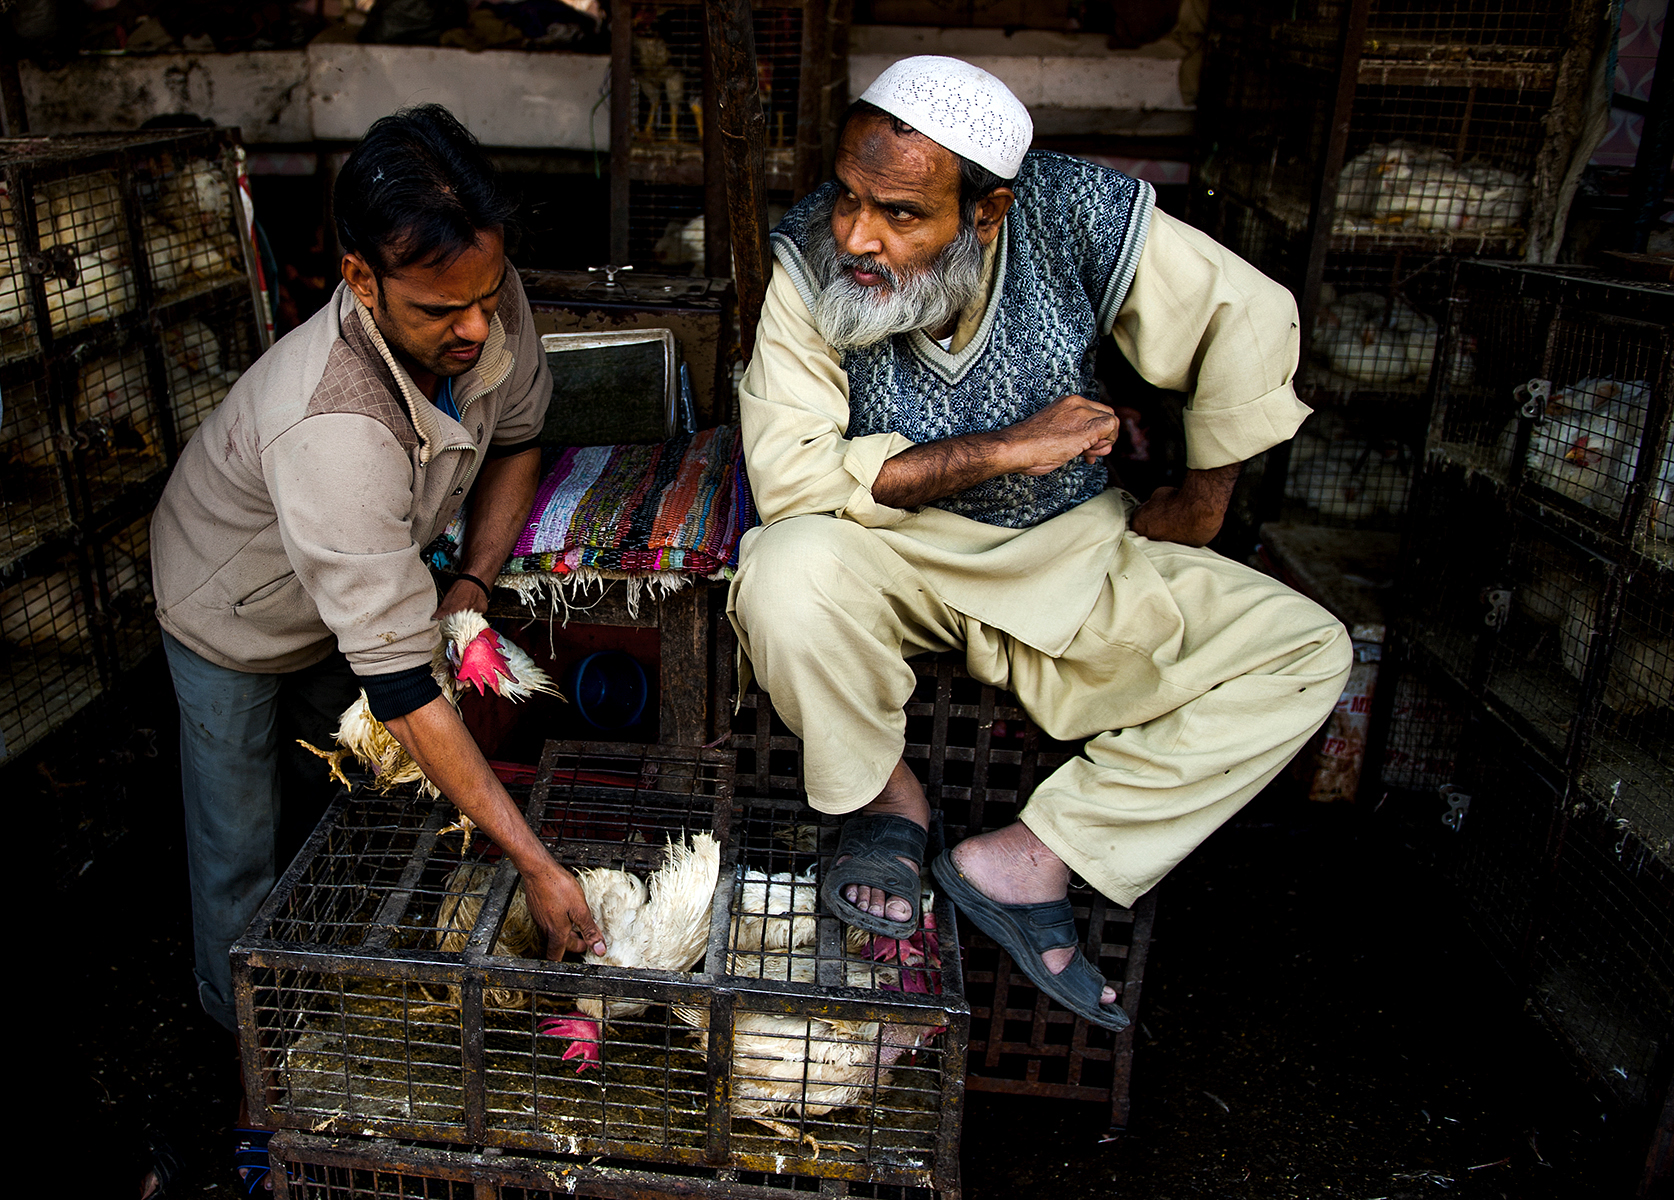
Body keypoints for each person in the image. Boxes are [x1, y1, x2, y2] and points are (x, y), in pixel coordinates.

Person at [728, 57, 1352, 1030]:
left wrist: (1202, 497)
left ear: (986, 212)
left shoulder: (1074, 217)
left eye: (899, 213)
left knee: (1308, 653)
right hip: (883, 557)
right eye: (850, 197)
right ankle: (885, 802)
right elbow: (795, 478)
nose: (856, 233)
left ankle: (1028, 859)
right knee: (781, 571)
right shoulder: (813, 256)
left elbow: (1253, 315)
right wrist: (1003, 450)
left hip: (1070, 557)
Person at [149, 104, 605, 1190]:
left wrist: (470, 586)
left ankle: (370, 952)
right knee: (241, 855)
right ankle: (248, 1073)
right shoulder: (336, 424)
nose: (475, 329)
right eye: (440, 310)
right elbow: (403, 688)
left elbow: (521, 438)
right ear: (359, 280)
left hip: (360, 585)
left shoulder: (483, 293)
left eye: (488, 299)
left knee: (375, 782)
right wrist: (535, 863)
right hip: (233, 608)